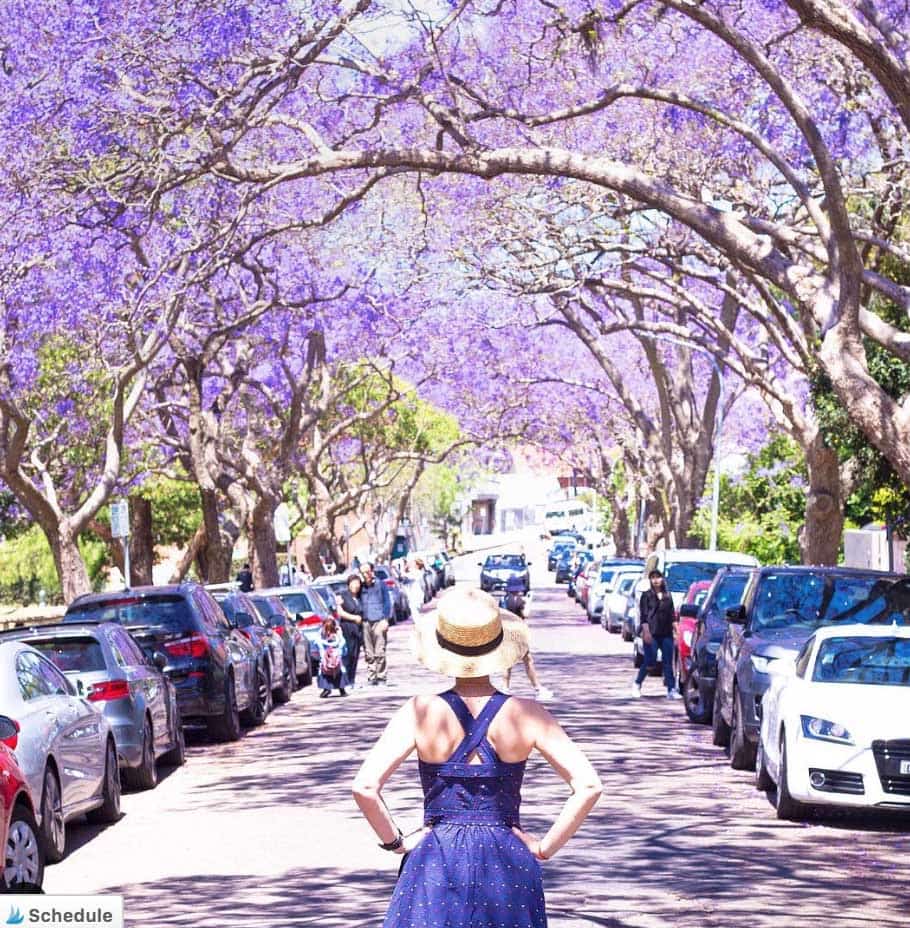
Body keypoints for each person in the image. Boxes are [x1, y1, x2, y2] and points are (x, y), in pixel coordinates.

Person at [352, 587, 602, 928]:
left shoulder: (419, 712)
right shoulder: (527, 713)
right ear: (498, 646)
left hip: (436, 857)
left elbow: (365, 787)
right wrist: (544, 847)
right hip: (506, 860)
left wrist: (397, 842)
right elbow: (588, 785)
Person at [499, 578, 553, 701]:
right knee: (528, 661)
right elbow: (526, 614)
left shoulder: (503, 601)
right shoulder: (520, 601)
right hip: (518, 634)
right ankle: (538, 689)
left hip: (506, 633)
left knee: (507, 663)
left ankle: (505, 688)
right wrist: (529, 601)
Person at [633, 568, 679, 699]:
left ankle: (671, 689)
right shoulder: (646, 596)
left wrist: (677, 630)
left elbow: (672, 616)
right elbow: (644, 616)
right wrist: (646, 631)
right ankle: (637, 683)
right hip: (651, 633)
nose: (656, 580)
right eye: (653, 577)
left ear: (662, 579)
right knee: (650, 660)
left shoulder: (668, 596)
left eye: (658, 577)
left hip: (666, 633)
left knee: (668, 662)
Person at [361, 562, 393, 686]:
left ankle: (381, 677)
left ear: (372, 571)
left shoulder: (381, 585)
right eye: (363, 572)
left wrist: (386, 619)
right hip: (365, 622)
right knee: (369, 652)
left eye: (367, 572)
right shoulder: (361, 587)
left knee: (380, 651)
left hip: (379, 620)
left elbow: (387, 602)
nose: (365, 575)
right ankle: (371, 676)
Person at [337, 573, 365, 687]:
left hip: (358, 629)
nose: (356, 586)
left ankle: (352, 680)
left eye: (358, 583)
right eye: (353, 583)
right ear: (349, 584)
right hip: (347, 628)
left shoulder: (360, 597)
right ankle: (345, 681)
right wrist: (354, 618)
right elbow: (340, 612)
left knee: (355, 655)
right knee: (347, 655)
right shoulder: (343, 596)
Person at [315, 617, 349, 697]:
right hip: (327, 658)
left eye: (330, 630)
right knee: (325, 671)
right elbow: (318, 642)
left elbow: (342, 643)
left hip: (335, 657)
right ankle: (327, 689)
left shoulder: (338, 634)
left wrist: (339, 651)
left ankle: (341, 689)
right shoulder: (321, 635)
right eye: (327, 630)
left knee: (339, 670)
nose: (328, 632)